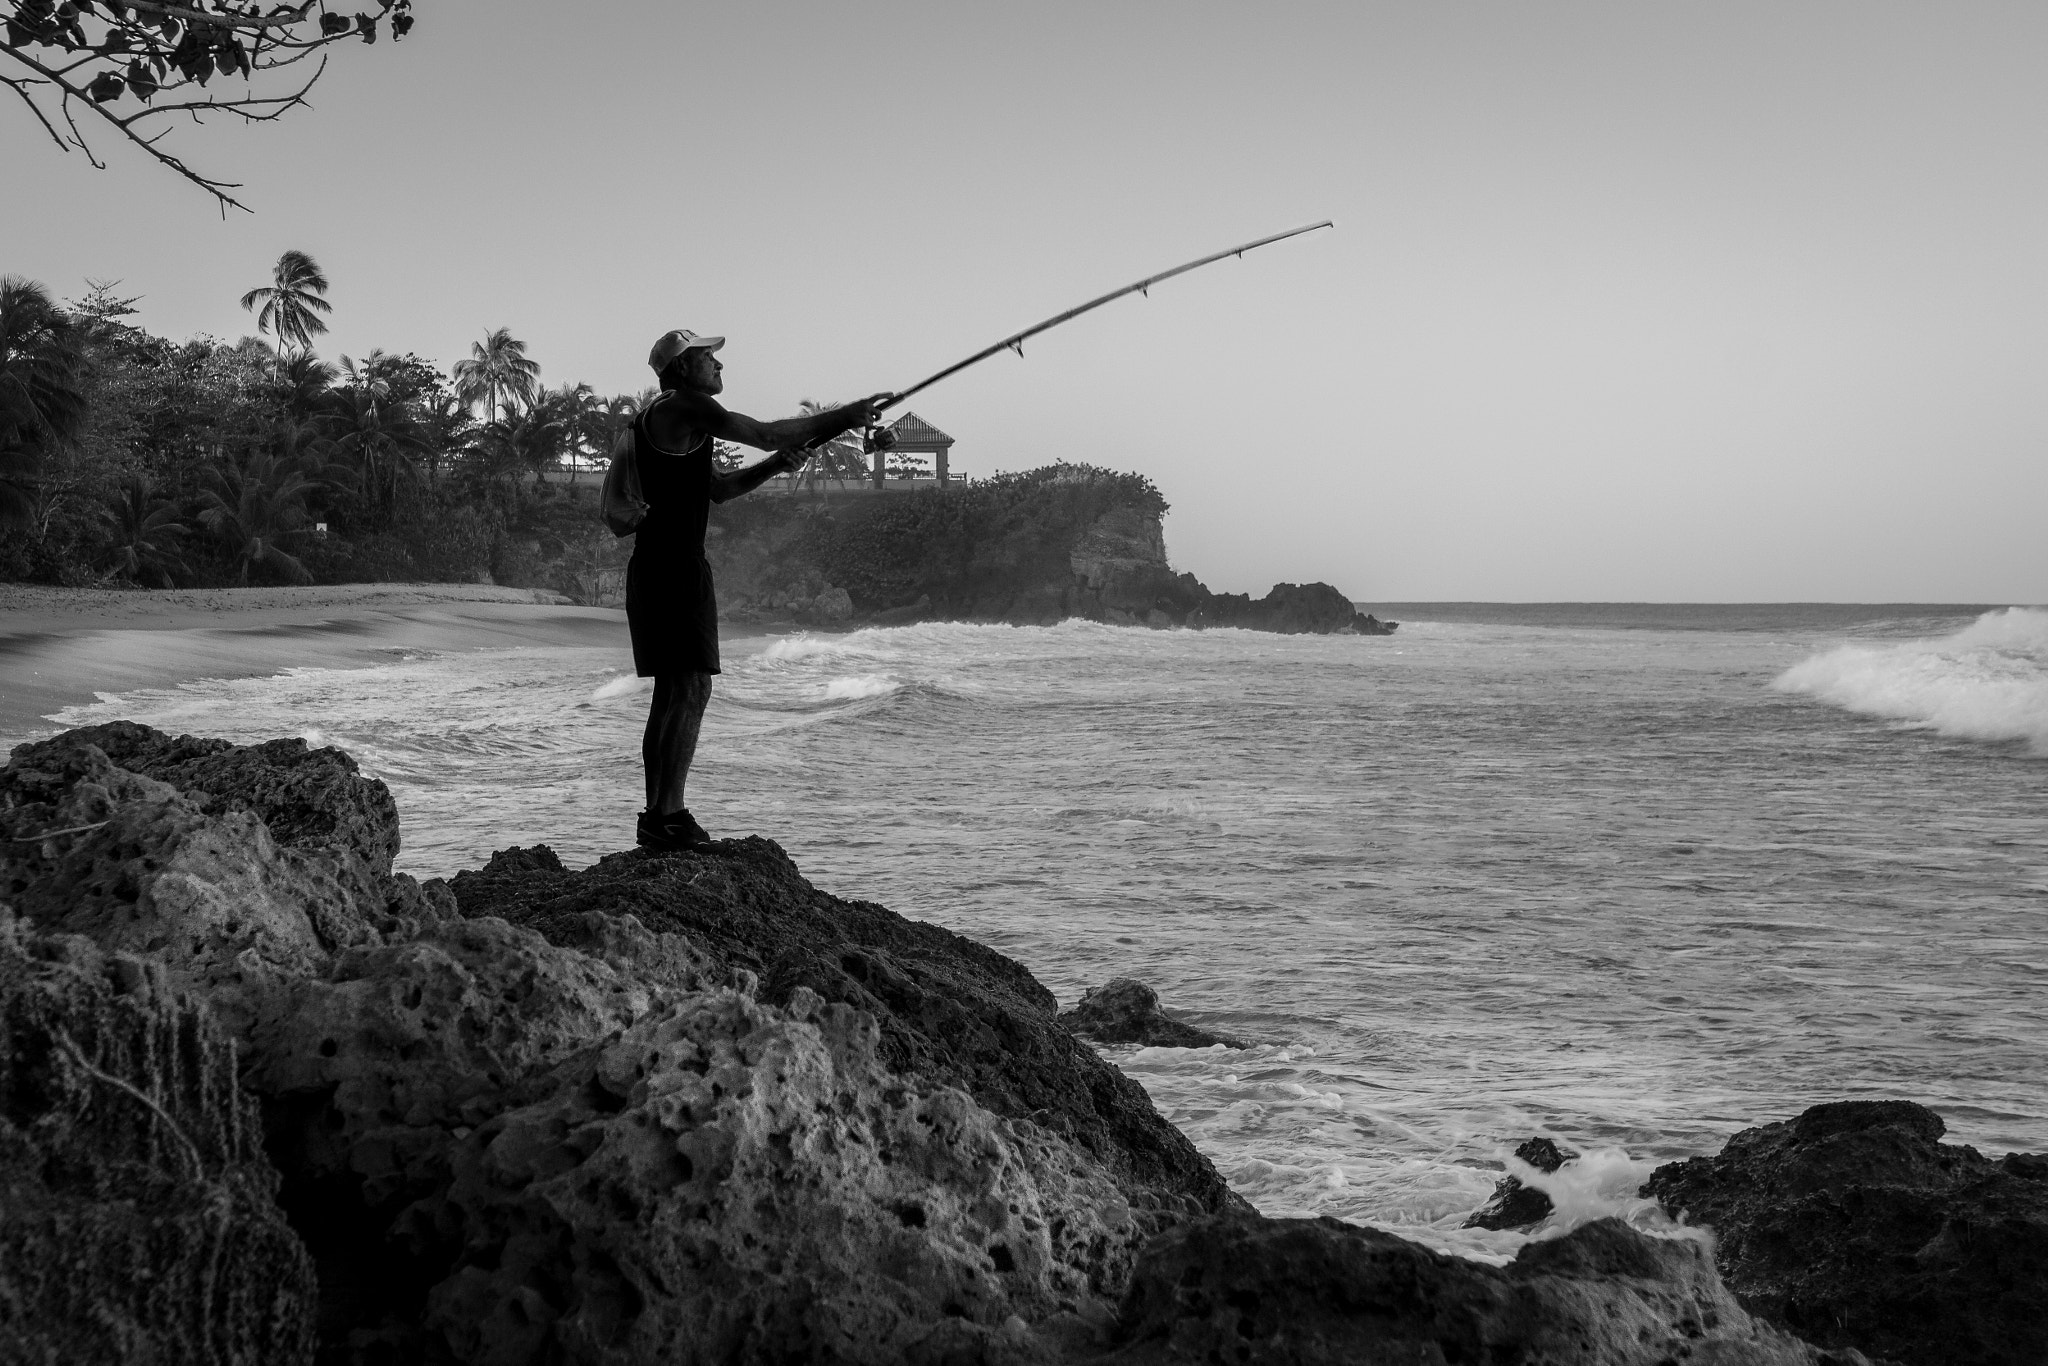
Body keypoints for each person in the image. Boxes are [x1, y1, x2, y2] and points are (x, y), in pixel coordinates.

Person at [627, 328, 887, 851]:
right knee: (693, 687)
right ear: (680, 370)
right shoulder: (685, 406)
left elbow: (718, 490)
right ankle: (669, 816)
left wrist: (774, 468)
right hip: (675, 567)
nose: (719, 367)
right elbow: (766, 432)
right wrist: (843, 415)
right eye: (708, 359)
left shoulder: (668, 420)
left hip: (656, 567)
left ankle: (657, 816)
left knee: (673, 692)